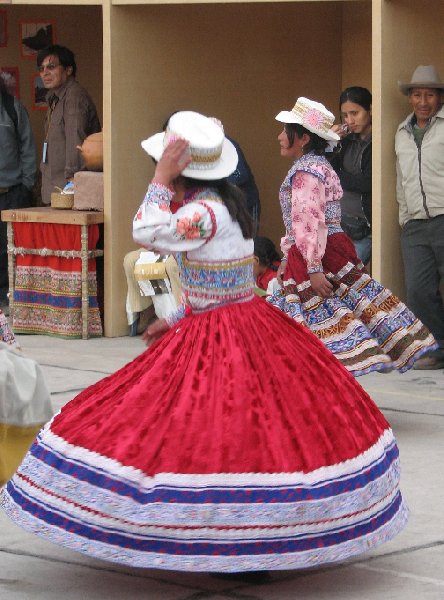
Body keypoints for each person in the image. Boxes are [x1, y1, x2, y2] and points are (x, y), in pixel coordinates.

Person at [1, 111, 408, 574]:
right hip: (240, 321)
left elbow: (144, 230)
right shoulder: (227, 206)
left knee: (213, 431)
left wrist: (159, 178)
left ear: (182, 170)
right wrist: (176, 315)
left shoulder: (201, 213)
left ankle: (230, 543)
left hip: (222, 334)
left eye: (168, 167)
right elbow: (219, 283)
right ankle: (252, 540)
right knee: (252, 428)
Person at [268, 96, 437, 377]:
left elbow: (309, 222)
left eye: (286, 131)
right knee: (338, 318)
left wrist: (312, 267)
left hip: (316, 256)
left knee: (318, 327)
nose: (279, 137)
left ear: (303, 138)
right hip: (331, 248)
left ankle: (327, 389)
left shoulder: (306, 173)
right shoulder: (321, 166)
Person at [395, 65, 444, 370]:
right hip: (414, 224)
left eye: (429, 95)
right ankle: (438, 348)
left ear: (439, 98)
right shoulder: (401, 131)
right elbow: (402, 180)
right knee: (418, 290)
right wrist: (404, 216)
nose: (423, 101)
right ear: (410, 98)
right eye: (417, 95)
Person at [36, 44, 101, 205]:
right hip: (55, 190)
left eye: (51, 67)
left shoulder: (73, 96)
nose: (45, 73)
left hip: (69, 192)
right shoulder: (55, 98)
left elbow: (75, 140)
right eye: (42, 68)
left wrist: (73, 180)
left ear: (68, 70)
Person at [0, 75, 36, 311]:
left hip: (11, 193)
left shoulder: (12, 108)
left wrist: (26, 185)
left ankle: (8, 297)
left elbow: (28, 147)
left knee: (8, 249)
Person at [330, 87, 372, 266]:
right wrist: (331, 141)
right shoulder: (347, 141)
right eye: (345, 115)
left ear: (370, 110)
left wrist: (337, 177)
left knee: (350, 277)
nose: (350, 120)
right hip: (343, 222)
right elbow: (326, 171)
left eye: (355, 113)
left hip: (365, 225)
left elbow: (368, 183)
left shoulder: (376, 141)